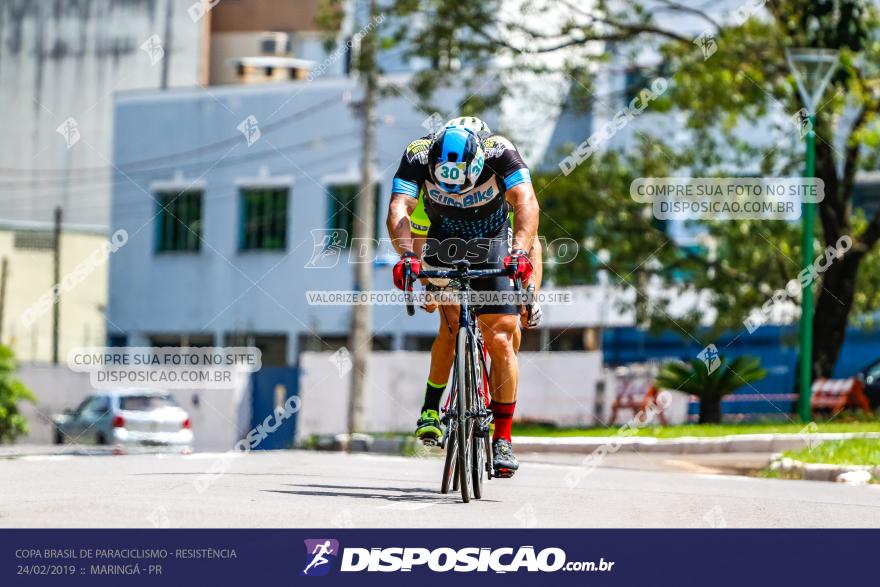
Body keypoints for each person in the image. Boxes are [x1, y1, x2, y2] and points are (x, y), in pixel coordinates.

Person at [386, 117, 540, 477]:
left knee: (502, 338)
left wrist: (518, 253)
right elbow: (399, 209)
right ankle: (432, 409)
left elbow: (527, 204)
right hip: (443, 242)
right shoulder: (417, 153)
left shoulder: (499, 151)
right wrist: (407, 256)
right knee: (452, 324)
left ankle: (502, 439)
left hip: (492, 241)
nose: (455, 192)